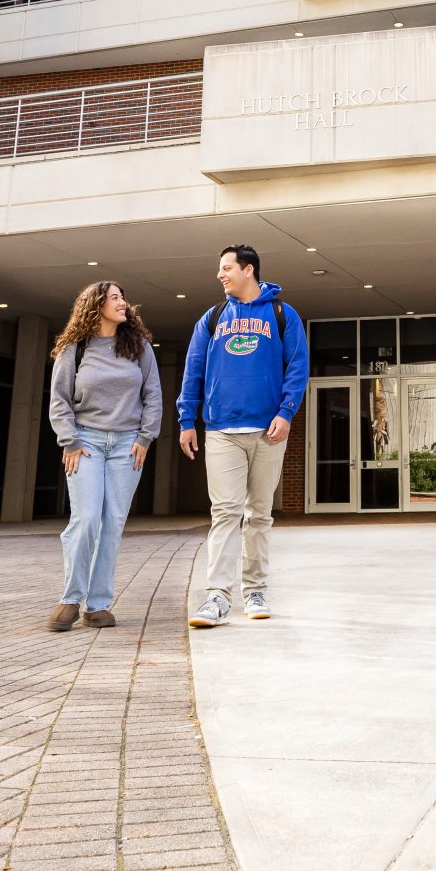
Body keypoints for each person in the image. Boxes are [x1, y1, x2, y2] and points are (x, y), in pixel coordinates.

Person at [178, 242, 307, 627]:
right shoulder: (213, 317)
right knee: (225, 513)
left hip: (269, 431)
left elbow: (297, 367)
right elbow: (193, 370)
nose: (220, 274)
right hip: (221, 431)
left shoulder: (283, 314)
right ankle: (216, 597)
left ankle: (255, 591)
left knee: (260, 514)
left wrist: (286, 413)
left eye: (226, 268)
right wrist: (187, 420)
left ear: (248, 269)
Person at [46, 280, 162, 633]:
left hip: (128, 446)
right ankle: (70, 599)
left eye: (122, 297)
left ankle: (97, 606)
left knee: (112, 523)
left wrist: (145, 438)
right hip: (86, 442)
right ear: (95, 305)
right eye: (114, 298)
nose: (122, 302)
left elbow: (153, 395)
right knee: (85, 521)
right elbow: (59, 400)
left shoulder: (138, 347)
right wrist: (69, 441)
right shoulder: (75, 349)